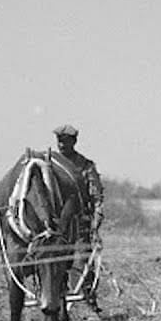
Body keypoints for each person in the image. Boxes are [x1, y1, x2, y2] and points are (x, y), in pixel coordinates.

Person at [51, 124, 104, 309]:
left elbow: (97, 196)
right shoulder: (50, 164)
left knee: (82, 262)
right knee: (55, 264)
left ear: (74, 141)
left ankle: (87, 302)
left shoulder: (85, 165)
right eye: (59, 141)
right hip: (56, 226)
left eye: (66, 141)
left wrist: (97, 219)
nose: (62, 145)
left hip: (80, 223)